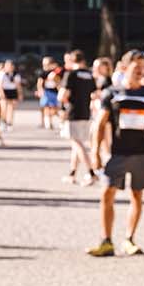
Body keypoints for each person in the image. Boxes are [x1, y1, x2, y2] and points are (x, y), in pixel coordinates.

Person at [88, 50, 144, 256]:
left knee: (137, 195)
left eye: (143, 67)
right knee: (107, 193)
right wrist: (95, 152)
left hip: (142, 153)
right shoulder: (111, 93)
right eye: (136, 67)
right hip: (118, 153)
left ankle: (129, 239)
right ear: (123, 67)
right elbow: (100, 124)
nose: (140, 71)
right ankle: (106, 241)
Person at [58, 50, 97, 185]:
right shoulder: (89, 75)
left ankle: (91, 172)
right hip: (86, 112)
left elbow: (62, 96)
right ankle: (72, 173)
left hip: (73, 112)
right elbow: (94, 94)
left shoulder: (71, 74)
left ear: (71, 61)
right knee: (78, 144)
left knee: (76, 143)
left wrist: (62, 106)